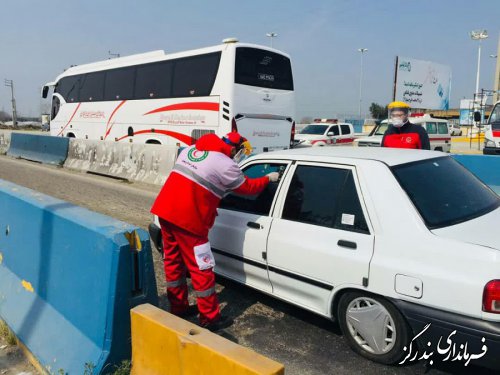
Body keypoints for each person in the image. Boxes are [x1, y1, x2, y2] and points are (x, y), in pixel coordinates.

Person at [150, 132, 279, 330]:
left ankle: (178, 308)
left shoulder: (192, 150)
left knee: (173, 263)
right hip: (190, 221)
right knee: (202, 269)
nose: (239, 156)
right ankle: (210, 318)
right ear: (235, 149)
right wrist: (267, 178)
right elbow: (247, 187)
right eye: (240, 152)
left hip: (166, 212)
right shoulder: (225, 164)